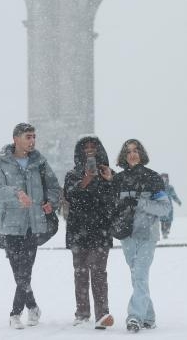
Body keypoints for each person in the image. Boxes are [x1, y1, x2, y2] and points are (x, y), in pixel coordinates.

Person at [0, 122, 61, 330]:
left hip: (33, 225)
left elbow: (55, 187)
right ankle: (34, 306)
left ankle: (15, 313)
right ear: (16, 139)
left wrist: (51, 203)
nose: (32, 141)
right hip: (10, 226)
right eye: (28, 137)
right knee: (18, 272)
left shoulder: (40, 163)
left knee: (25, 271)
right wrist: (16, 193)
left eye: (34, 137)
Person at [112, 139, 170, 332]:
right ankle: (149, 317)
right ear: (124, 156)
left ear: (141, 153)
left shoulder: (152, 178)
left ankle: (135, 317)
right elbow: (113, 206)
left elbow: (165, 208)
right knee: (138, 277)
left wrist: (140, 204)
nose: (132, 154)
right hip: (127, 235)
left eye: (136, 150)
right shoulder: (118, 180)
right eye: (128, 152)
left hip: (147, 235)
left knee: (140, 275)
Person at [63, 135, 115, 329]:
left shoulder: (108, 173)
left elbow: (114, 200)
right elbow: (69, 196)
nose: (90, 149)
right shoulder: (72, 174)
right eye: (85, 147)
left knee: (99, 272)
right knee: (80, 272)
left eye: (94, 146)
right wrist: (86, 179)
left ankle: (102, 314)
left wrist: (109, 180)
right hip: (78, 230)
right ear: (79, 151)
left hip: (101, 230)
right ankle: (82, 313)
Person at [158, 173, 183, 239]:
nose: (164, 179)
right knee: (163, 220)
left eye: (165, 178)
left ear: (167, 179)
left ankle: (168, 229)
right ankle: (164, 232)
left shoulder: (170, 188)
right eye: (162, 178)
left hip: (169, 206)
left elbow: (174, 195)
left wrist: (178, 201)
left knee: (169, 219)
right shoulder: (158, 187)